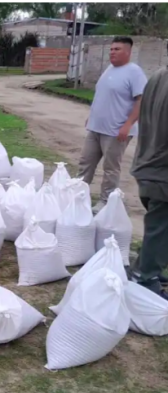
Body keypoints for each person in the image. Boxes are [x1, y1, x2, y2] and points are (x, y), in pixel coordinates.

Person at [78, 36, 148, 214]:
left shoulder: (134, 72)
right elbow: (103, 95)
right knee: (85, 162)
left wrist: (128, 124)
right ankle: (77, 195)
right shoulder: (109, 69)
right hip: (96, 127)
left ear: (128, 52)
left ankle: (105, 201)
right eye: (111, 49)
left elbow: (141, 100)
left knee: (110, 168)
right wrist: (91, 116)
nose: (112, 52)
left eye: (117, 49)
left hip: (116, 131)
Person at [129, 52, 168, 299]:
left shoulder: (158, 76)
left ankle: (145, 267)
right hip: (163, 171)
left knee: (158, 227)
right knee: (161, 227)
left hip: (147, 163)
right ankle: (145, 278)